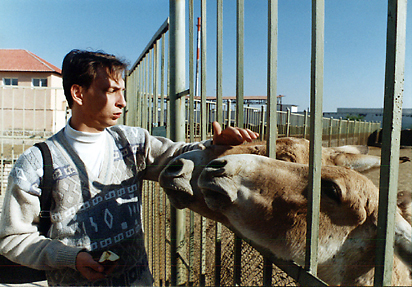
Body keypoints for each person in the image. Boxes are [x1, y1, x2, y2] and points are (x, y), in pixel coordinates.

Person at [0, 49, 258, 286]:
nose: (122, 102)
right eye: (110, 91)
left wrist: (214, 146)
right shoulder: (37, 163)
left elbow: (177, 157)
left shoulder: (132, 142)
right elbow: (13, 239)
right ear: (78, 93)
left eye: (122, 91)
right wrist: (73, 257)